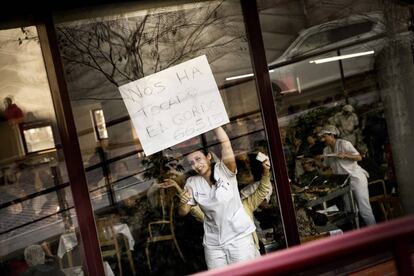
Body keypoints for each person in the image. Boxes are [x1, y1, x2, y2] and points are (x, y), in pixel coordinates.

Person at [174, 126, 258, 269]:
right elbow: (183, 212)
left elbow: (226, 144)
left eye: (198, 159)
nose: (196, 165)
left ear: (208, 157)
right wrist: (182, 202)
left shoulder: (224, 169)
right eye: (191, 163)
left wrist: (214, 123)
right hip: (213, 244)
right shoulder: (192, 182)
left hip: (239, 237)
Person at [160, 157, 272, 256]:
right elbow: (192, 205)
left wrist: (266, 171)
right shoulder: (212, 217)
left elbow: (263, 190)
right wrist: (179, 189)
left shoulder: (245, 205)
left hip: (249, 251)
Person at [317, 125, 376, 226]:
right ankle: (358, 233)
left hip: (355, 178)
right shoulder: (326, 150)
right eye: (321, 137)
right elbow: (325, 166)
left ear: (332, 135)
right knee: (350, 210)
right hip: (343, 182)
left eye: (324, 136)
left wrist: (345, 155)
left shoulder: (344, 144)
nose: (322, 139)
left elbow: (359, 157)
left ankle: (377, 235)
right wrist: (316, 161)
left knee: (363, 209)